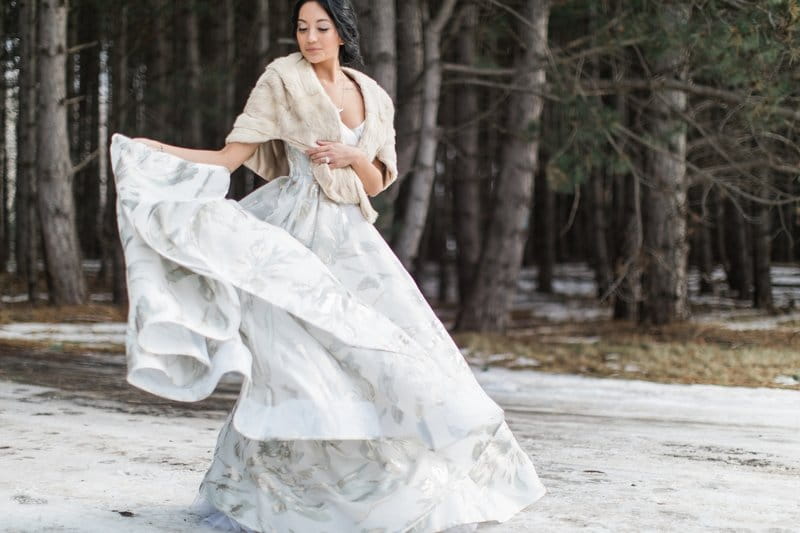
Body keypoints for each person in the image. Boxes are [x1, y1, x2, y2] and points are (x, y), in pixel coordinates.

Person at [110, 1, 546, 532]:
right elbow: (229, 158)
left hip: (352, 239)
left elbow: (378, 179)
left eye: (321, 28)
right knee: (299, 364)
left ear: (342, 33)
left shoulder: (373, 94)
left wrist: (351, 156)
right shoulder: (281, 79)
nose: (310, 38)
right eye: (301, 27)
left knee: (387, 356)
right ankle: (282, 500)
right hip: (293, 230)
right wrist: (156, 151)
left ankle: (386, 493)